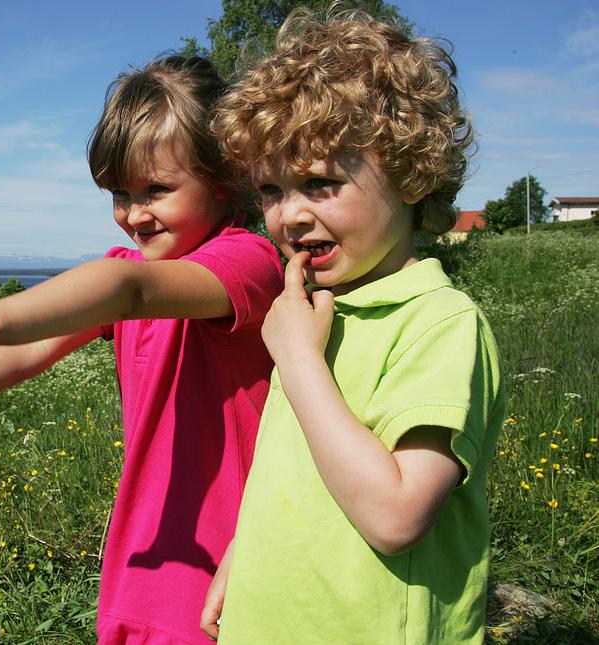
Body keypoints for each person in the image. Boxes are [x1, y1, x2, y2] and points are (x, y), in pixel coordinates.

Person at [0, 55, 284, 644]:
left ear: (223, 179)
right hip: (143, 561)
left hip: (228, 569)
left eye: (157, 190)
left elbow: (125, 291)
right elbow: (25, 353)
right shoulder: (129, 278)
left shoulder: (246, 262)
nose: (134, 214)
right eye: (119, 193)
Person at [198, 8, 505, 643]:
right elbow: (294, 472)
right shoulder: (310, 309)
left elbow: (397, 516)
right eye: (272, 190)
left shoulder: (439, 323)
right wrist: (243, 557)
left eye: (319, 182)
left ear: (409, 172)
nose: (290, 215)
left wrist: (299, 361)